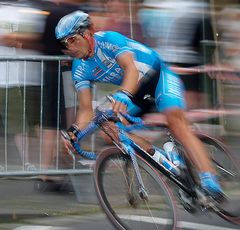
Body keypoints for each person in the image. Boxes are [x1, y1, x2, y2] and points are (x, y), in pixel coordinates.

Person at [55, 10, 224, 199]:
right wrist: (74, 133)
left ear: (87, 34)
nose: (68, 47)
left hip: (158, 77)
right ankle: (162, 161)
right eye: (63, 43)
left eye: (71, 39)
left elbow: (131, 70)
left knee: (177, 124)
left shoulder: (109, 39)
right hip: (135, 92)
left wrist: (124, 94)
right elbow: (85, 110)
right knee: (111, 131)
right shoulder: (79, 68)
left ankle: (210, 181)